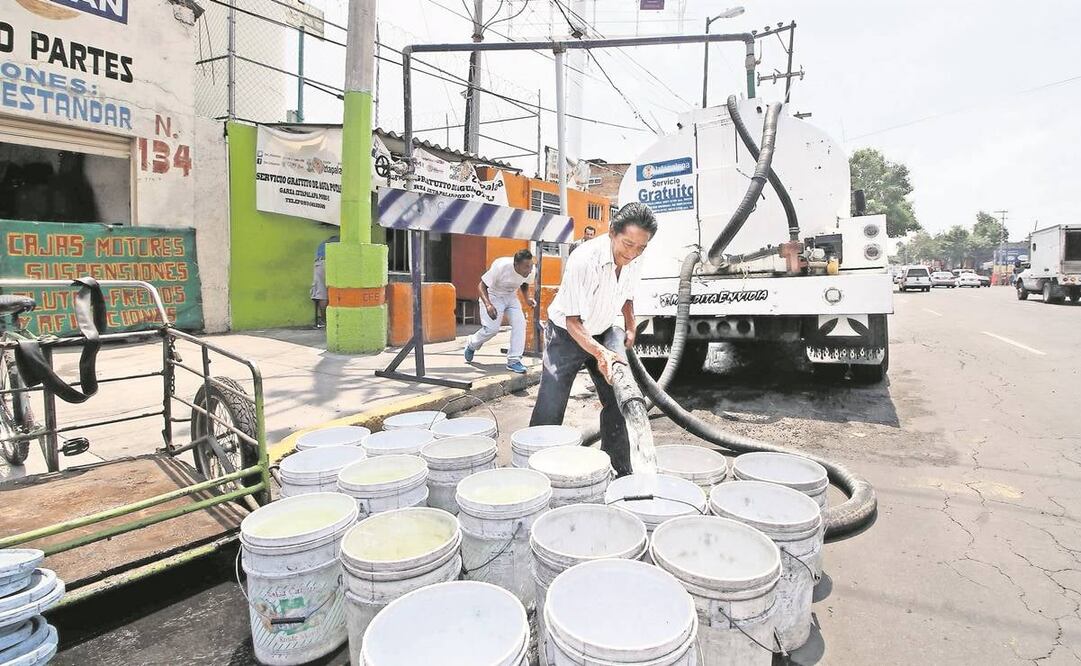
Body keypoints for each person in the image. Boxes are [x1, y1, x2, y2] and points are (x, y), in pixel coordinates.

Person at [529, 203, 657, 477]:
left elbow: (627, 295)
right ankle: (535, 469)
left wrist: (631, 325)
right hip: (567, 334)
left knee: (619, 396)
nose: (632, 253)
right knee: (552, 403)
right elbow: (573, 322)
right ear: (612, 232)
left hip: (605, 327)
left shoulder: (637, 256)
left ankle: (618, 467)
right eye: (628, 244)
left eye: (640, 248)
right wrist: (601, 354)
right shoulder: (583, 259)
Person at [464, 249, 537, 374]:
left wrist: (527, 299)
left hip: (511, 297)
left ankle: (514, 360)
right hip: (493, 296)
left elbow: (524, 283)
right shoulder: (501, 266)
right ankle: (472, 343)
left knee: (520, 324)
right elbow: (481, 286)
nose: (529, 270)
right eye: (526, 267)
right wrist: (488, 304)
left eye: (530, 266)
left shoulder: (530, 270)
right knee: (491, 329)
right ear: (516, 265)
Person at [310, 234, 338, 328]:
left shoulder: (323, 244)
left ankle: (325, 321)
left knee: (322, 293)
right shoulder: (343, 242)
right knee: (340, 291)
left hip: (321, 263)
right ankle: (336, 320)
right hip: (336, 263)